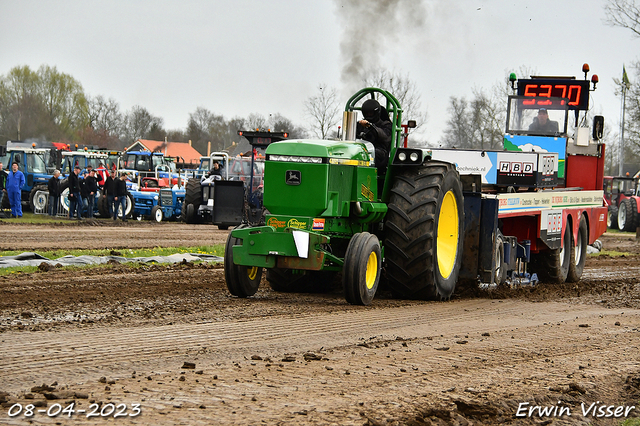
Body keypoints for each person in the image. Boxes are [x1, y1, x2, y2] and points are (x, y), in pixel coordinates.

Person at [356, 99, 392, 172]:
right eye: (367, 113)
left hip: (380, 153)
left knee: (369, 153)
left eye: (371, 113)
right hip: (361, 149)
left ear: (376, 112)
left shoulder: (386, 125)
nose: (369, 115)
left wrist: (371, 127)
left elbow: (385, 137)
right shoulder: (360, 125)